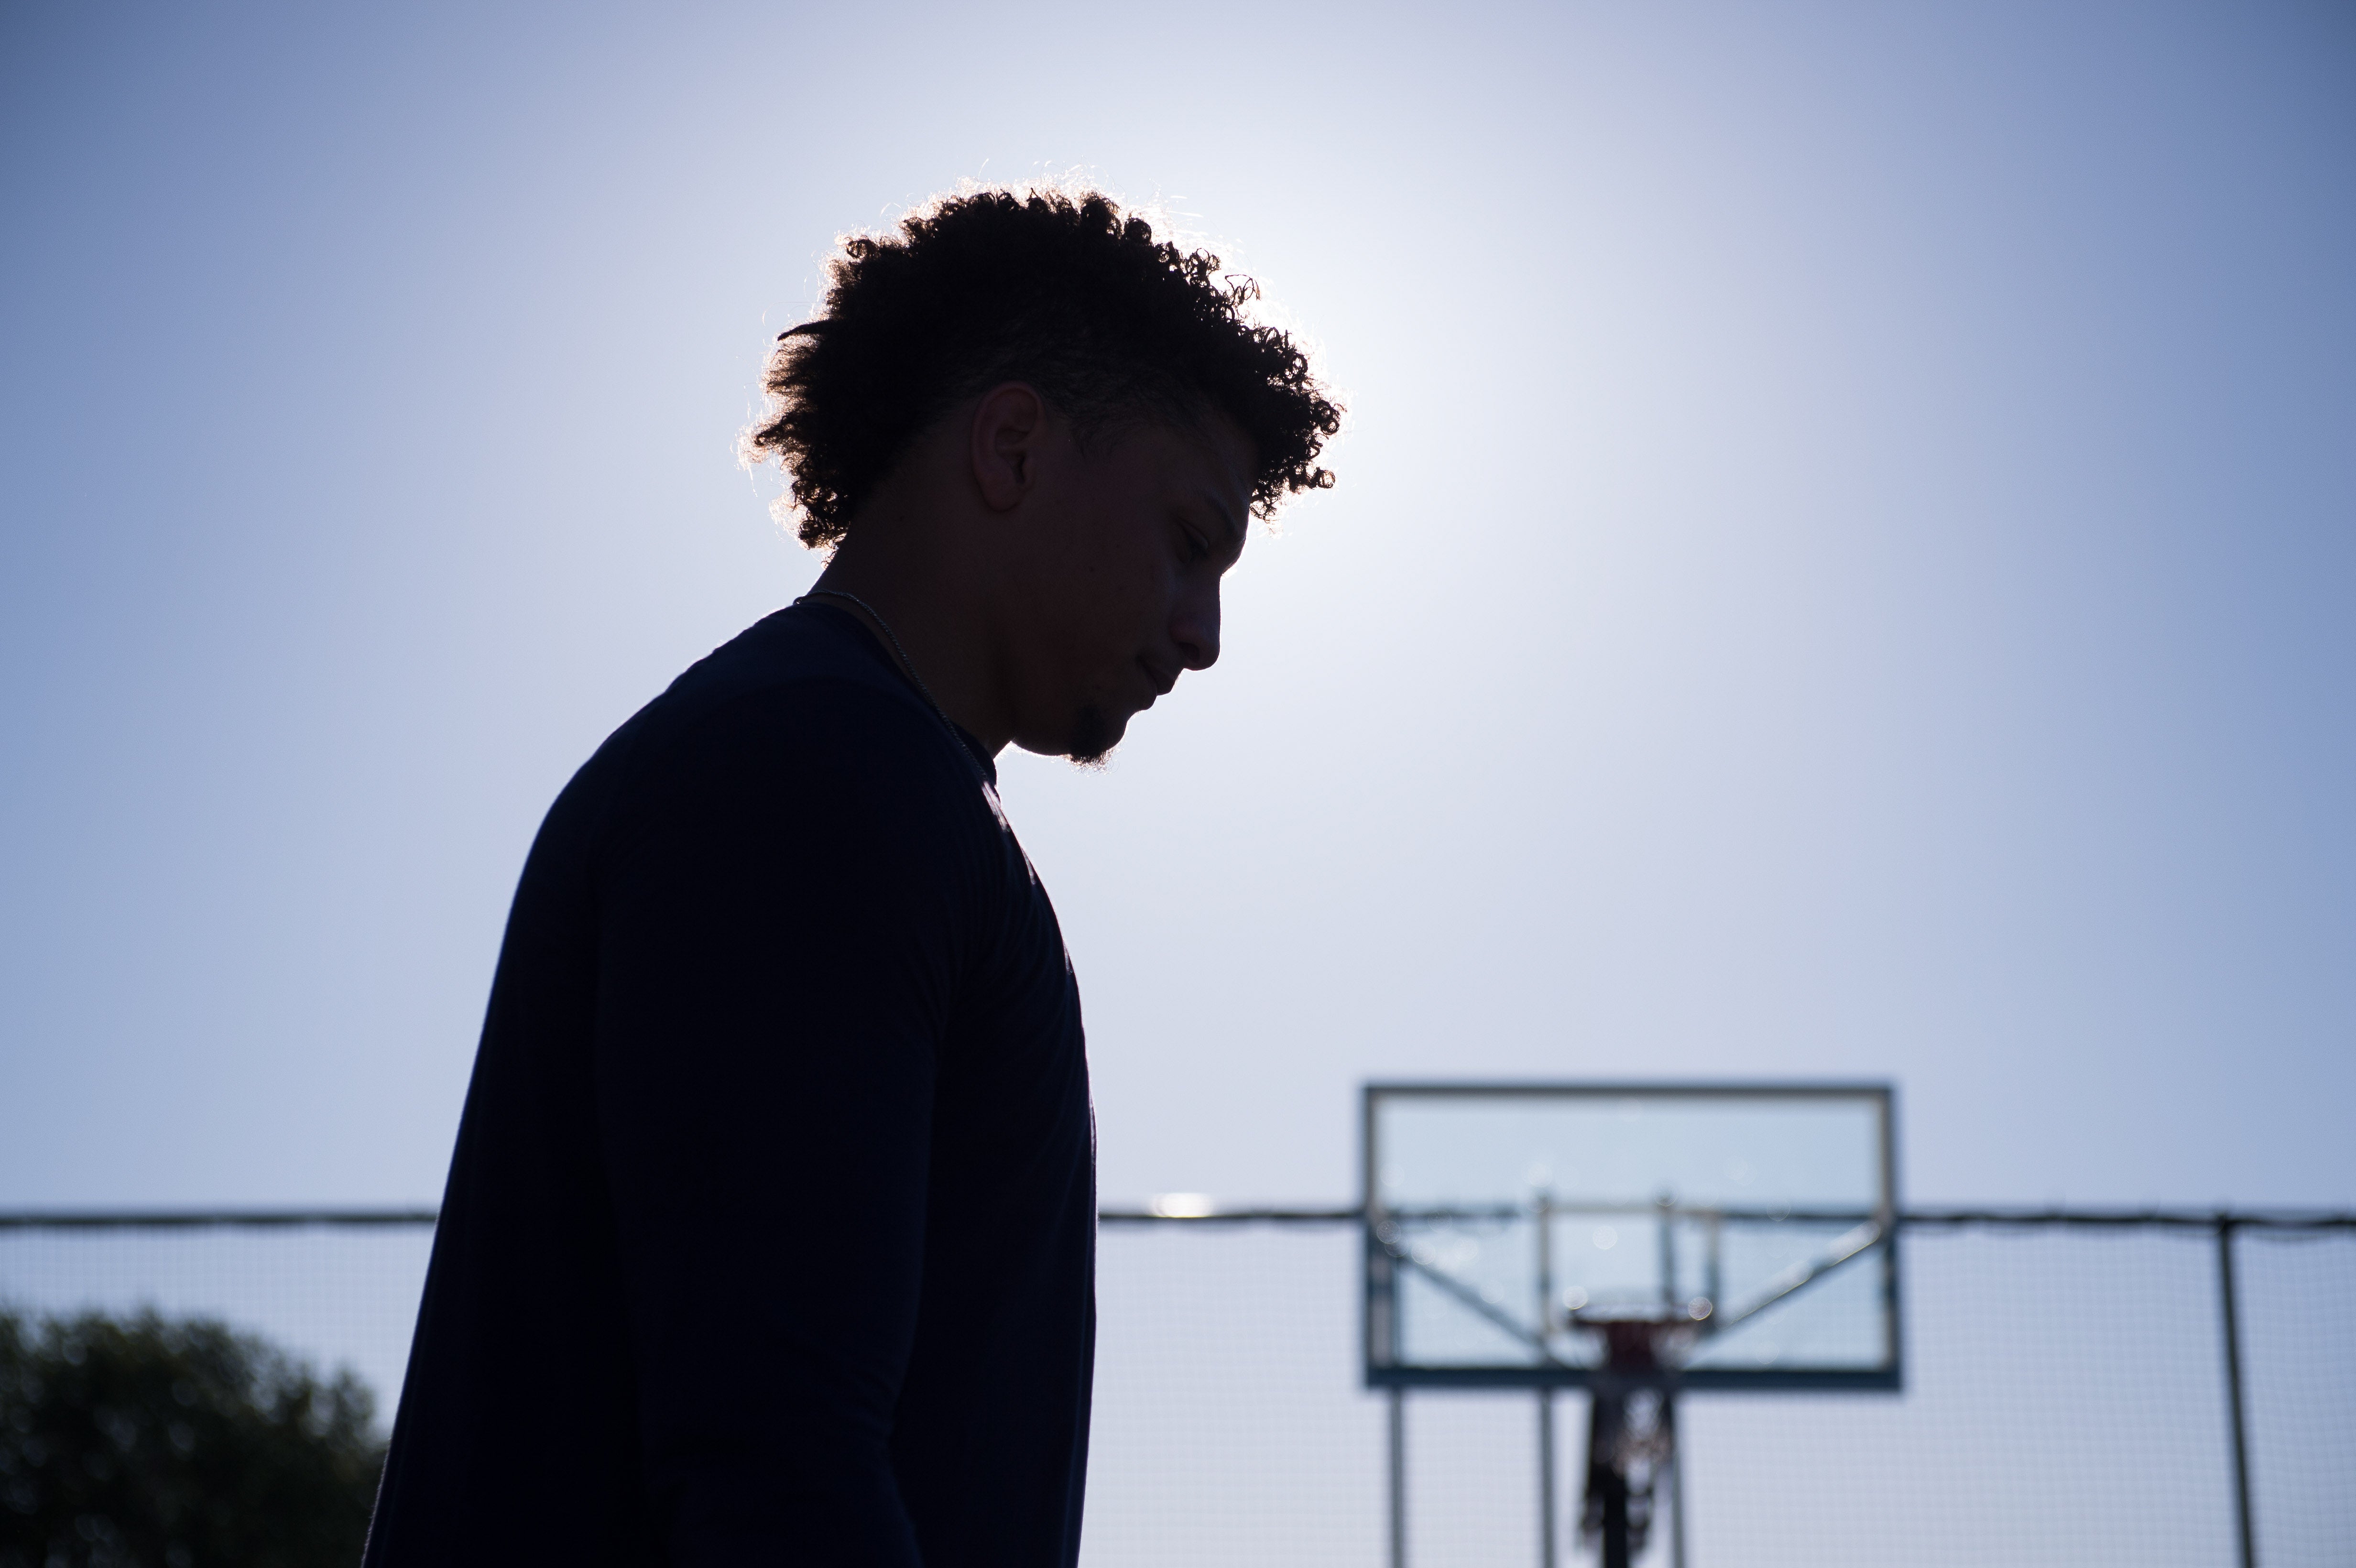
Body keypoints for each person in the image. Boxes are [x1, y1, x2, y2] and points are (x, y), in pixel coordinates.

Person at [360, 187, 1340, 1567]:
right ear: (1011, 445)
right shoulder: (818, 774)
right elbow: (775, 1465)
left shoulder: (847, 769)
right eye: (1191, 542)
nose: (1205, 635)